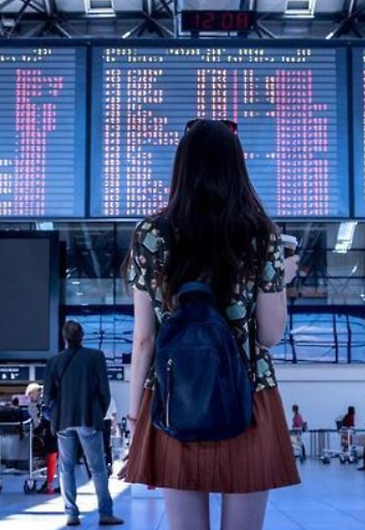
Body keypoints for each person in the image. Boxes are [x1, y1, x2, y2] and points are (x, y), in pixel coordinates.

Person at [120, 119, 301, 530]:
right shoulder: (261, 235)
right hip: (249, 396)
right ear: (237, 168)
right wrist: (280, 281)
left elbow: (145, 338)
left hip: (173, 395)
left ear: (182, 167)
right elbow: (271, 335)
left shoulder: (152, 233)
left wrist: (134, 416)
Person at [43, 321, 123, 527]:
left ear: (64, 337)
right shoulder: (95, 357)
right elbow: (105, 392)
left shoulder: (54, 361)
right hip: (89, 418)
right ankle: (105, 513)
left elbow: (47, 397)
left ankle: (71, 514)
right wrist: (99, 412)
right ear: (82, 336)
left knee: (66, 468)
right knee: (97, 468)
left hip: (63, 421)